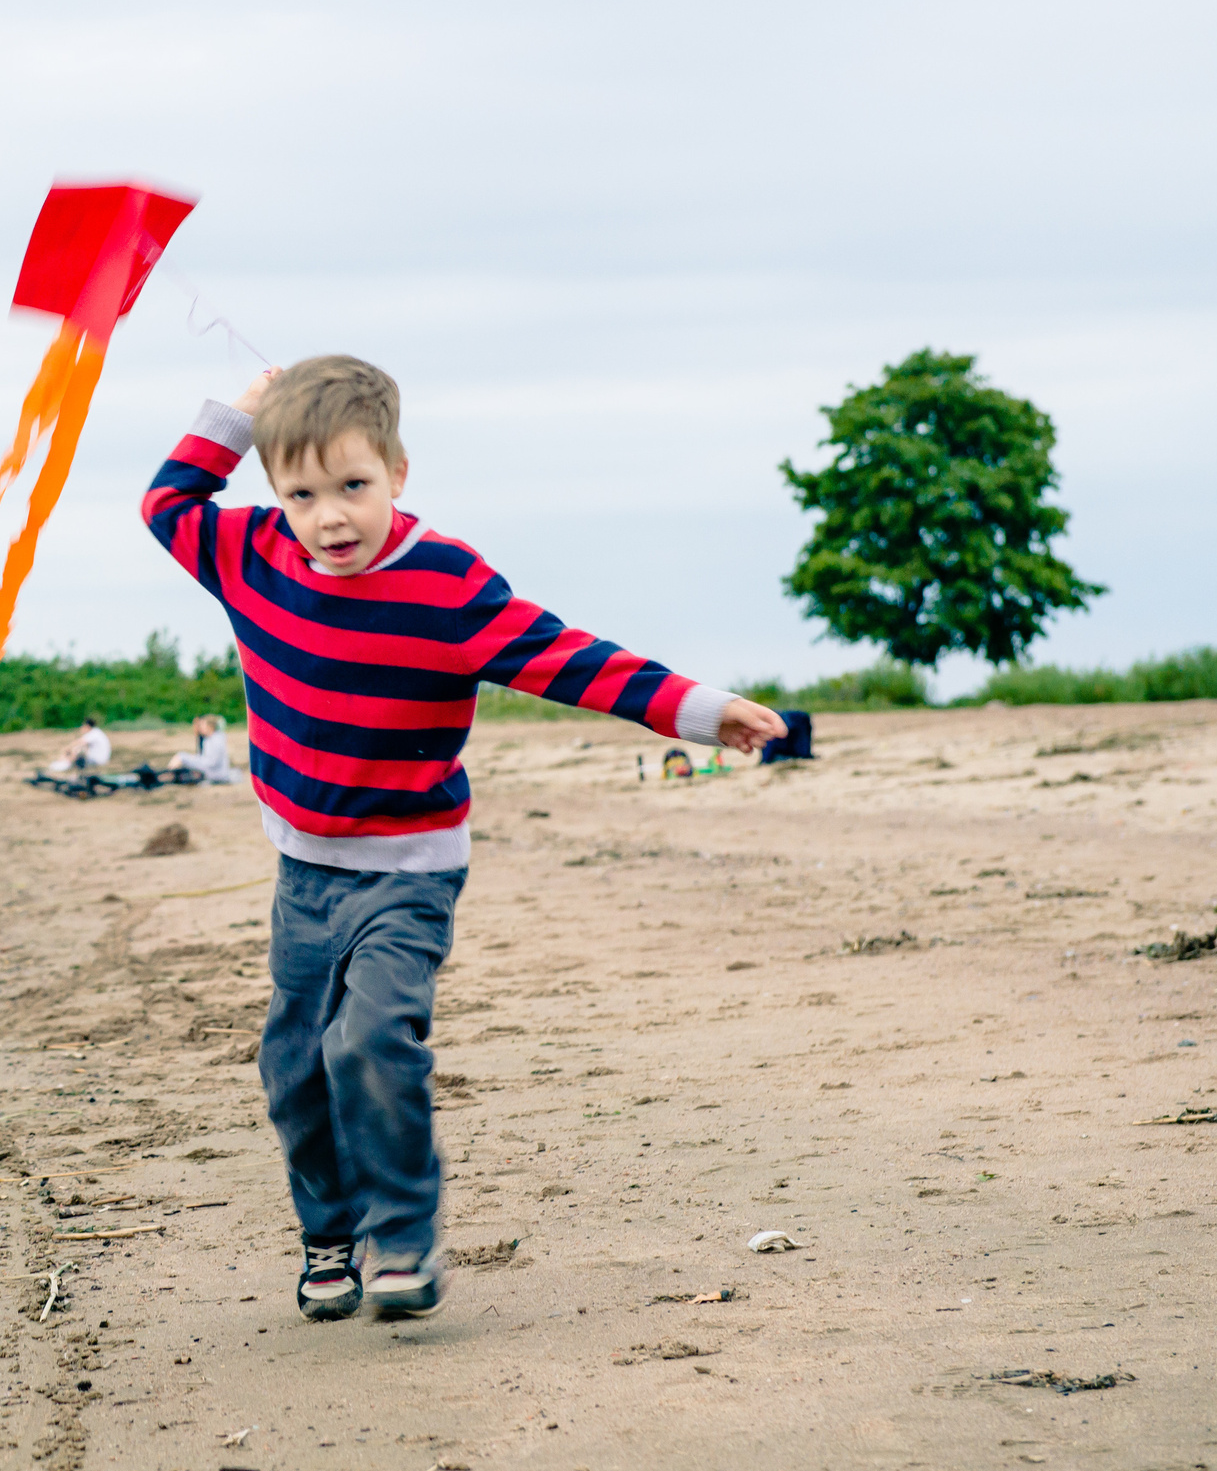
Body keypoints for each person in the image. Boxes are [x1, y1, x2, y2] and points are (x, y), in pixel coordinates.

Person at [142, 358, 784, 1321]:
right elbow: (167, 502)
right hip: (302, 871)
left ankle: (402, 1234)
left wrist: (697, 710)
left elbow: (564, 656)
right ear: (273, 493)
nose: (330, 517)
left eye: (353, 485)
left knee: (368, 1039)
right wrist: (235, 414)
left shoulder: (444, 582)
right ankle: (329, 1233)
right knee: (293, 1067)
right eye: (303, 492)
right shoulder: (250, 554)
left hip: (408, 870)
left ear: (398, 470)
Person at [169, 712, 236, 782]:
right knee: (183, 758)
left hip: (217, 773)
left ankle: (168, 774)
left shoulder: (216, 739)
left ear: (210, 726)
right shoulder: (209, 739)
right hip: (214, 770)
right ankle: (170, 774)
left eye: (203, 725)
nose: (201, 727)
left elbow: (212, 762)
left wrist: (195, 761)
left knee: (181, 756)